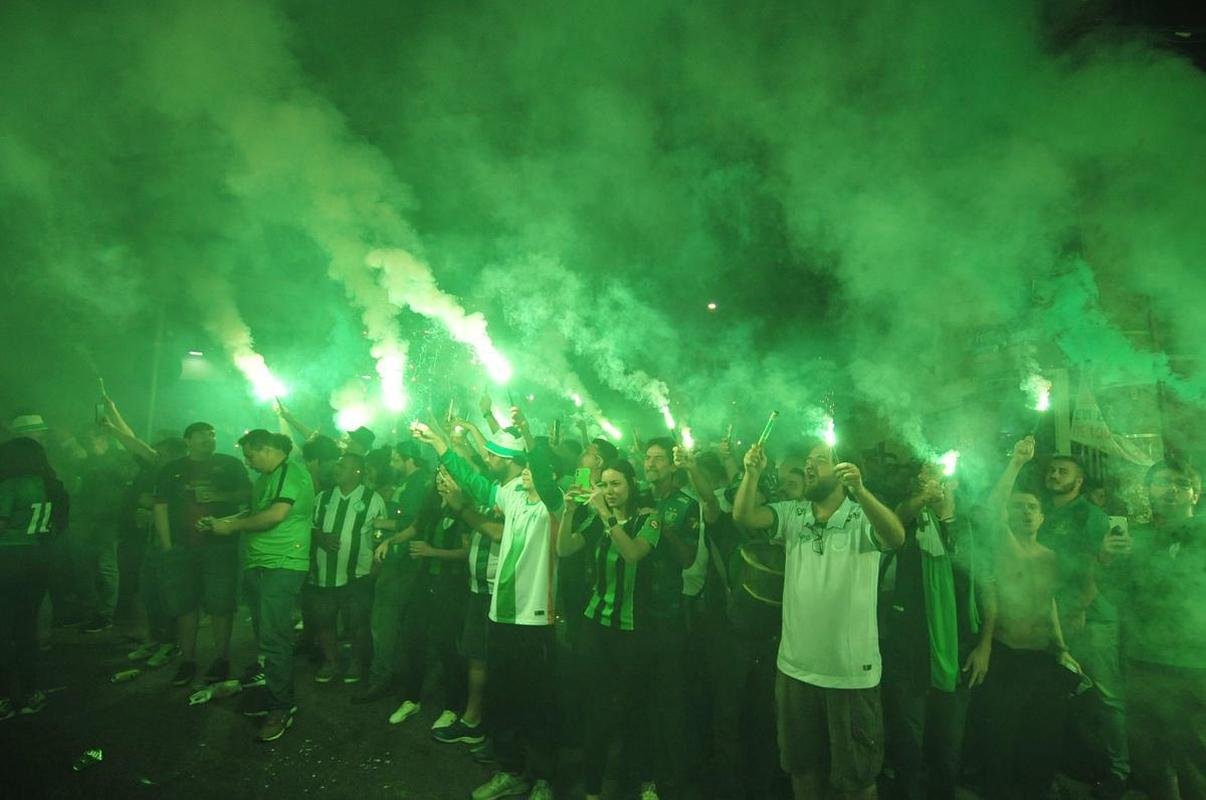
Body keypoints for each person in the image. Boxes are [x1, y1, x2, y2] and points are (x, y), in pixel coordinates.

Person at [733, 438, 905, 800]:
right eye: (808, 461)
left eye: (820, 461)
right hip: (795, 668)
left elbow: (895, 536)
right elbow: (745, 516)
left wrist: (862, 490)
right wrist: (751, 474)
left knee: (856, 778)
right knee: (803, 770)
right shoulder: (795, 513)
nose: (808, 467)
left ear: (844, 472)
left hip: (849, 673)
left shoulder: (862, 516)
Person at [414, 409, 560, 800]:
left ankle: (545, 778)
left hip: (538, 618)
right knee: (505, 699)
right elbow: (474, 481)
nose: (526, 472)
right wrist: (440, 443)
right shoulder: (511, 494)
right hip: (501, 613)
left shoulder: (555, 503)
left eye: (530, 465)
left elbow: (543, 475)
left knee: (539, 703)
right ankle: (512, 772)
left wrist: (529, 433)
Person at [976, 436, 1082, 800]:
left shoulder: (1048, 556)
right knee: (1001, 742)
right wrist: (1017, 463)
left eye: (1032, 508)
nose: (1025, 512)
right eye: (1018, 507)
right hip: (1008, 655)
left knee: (1042, 741)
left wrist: (1063, 648)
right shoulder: (1006, 546)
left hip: (1044, 657)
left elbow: (1048, 602)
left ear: (1042, 515)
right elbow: (992, 510)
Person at [557, 458, 660, 800]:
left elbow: (632, 554)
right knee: (597, 709)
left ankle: (642, 781)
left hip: (633, 629)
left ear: (632, 484)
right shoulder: (596, 519)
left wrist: (606, 515)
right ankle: (593, 789)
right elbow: (564, 548)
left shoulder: (649, 519)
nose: (609, 491)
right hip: (596, 624)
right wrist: (569, 510)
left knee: (634, 708)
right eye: (604, 483)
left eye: (616, 484)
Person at [1101, 458, 1204, 800]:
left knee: (1196, 760)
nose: (1170, 489)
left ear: (1195, 493)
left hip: (1196, 667)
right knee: (1151, 760)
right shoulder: (1139, 540)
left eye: (1180, 483)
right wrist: (1108, 560)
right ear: (1149, 493)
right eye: (1160, 483)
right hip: (1144, 662)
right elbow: (1117, 597)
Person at [206, 429, 315, 742]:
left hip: (282, 565)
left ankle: (282, 707)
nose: (248, 462)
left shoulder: (291, 473)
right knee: (266, 636)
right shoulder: (266, 478)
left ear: (266, 448)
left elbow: (275, 516)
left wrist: (232, 527)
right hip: (260, 564)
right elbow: (256, 512)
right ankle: (273, 696)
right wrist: (225, 523)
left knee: (275, 638)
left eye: (250, 455)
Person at [884, 462, 983, 800]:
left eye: (936, 474)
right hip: (910, 648)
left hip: (958, 649)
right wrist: (918, 501)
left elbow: (989, 588)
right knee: (908, 747)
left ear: (953, 481)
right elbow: (894, 520)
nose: (929, 481)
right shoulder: (908, 525)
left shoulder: (970, 530)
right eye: (924, 476)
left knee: (947, 751)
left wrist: (984, 645)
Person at [1038, 453, 1127, 796]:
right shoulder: (1045, 514)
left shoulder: (1090, 514)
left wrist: (1079, 610)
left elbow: (1093, 563)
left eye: (1063, 471)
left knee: (1106, 696)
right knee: (1066, 692)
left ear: (1079, 481)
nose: (1055, 474)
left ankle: (1119, 772)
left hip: (1092, 618)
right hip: (1054, 617)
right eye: (1051, 469)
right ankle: (1077, 763)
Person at [153, 422, 251, 687]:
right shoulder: (172, 469)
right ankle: (188, 660)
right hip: (182, 547)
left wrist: (219, 494)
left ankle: (221, 658)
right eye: (201, 435)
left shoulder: (230, 464)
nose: (208, 439)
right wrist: (167, 544)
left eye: (212, 435)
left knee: (221, 605)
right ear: (188, 440)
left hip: (220, 547)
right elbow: (160, 506)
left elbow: (247, 494)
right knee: (185, 605)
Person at [642, 437, 703, 797]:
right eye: (647, 458)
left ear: (672, 466)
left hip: (666, 614)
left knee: (667, 702)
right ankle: (640, 771)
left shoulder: (685, 506)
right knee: (638, 695)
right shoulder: (636, 497)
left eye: (659, 459)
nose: (650, 464)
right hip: (632, 612)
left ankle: (667, 782)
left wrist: (660, 527)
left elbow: (687, 560)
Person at [389, 466, 470, 730]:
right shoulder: (432, 503)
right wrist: (390, 541)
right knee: (414, 637)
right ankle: (412, 699)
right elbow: (414, 529)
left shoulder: (464, 510)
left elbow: (467, 553)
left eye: (446, 476)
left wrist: (432, 552)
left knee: (447, 643)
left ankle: (453, 706)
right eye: (438, 476)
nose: (440, 480)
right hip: (425, 580)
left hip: (452, 584)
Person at [354, 442, 434, 704]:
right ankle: (392, 672)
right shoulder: (414, 481)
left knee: (383, 619)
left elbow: (413, 522)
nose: (391, 465)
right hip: (402, 557)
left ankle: (381, 677)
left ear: (408, 459)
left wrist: (380, 524)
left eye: (395, 460)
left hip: (402, 559)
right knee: (393, 620)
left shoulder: (416, 483)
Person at [0, 437, 69, 719]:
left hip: (8, 559)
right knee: (27, 628)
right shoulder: (54, 486)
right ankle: (30, 693)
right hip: (39, 560)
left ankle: (3, 698)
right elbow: (60, 526)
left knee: (3, 631)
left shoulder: (10, 485)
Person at [305, 452, 385, 684]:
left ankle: (357, 663)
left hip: (358, 574)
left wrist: (376, 568)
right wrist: (320, 537)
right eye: (337, 464)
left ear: (357, 472)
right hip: (325, 573)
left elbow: (381, 536)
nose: (336, 469)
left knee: (358, 623)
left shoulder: (373, 499)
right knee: (324, 619)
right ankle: (331, 661)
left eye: (342, 465)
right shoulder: (323, 497)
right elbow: (310, 527)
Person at [75, 425, 137, 633]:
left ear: (104, 438)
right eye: (86, 439)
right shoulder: (88, 461)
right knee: (89, 567)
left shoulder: (119, 457)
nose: (88, 442)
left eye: (92, 437)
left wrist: (104, 463)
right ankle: (93, 611)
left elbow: (128, 479)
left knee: (106, 567)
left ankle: (106, 614)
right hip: (89, 521)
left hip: (111, 522)